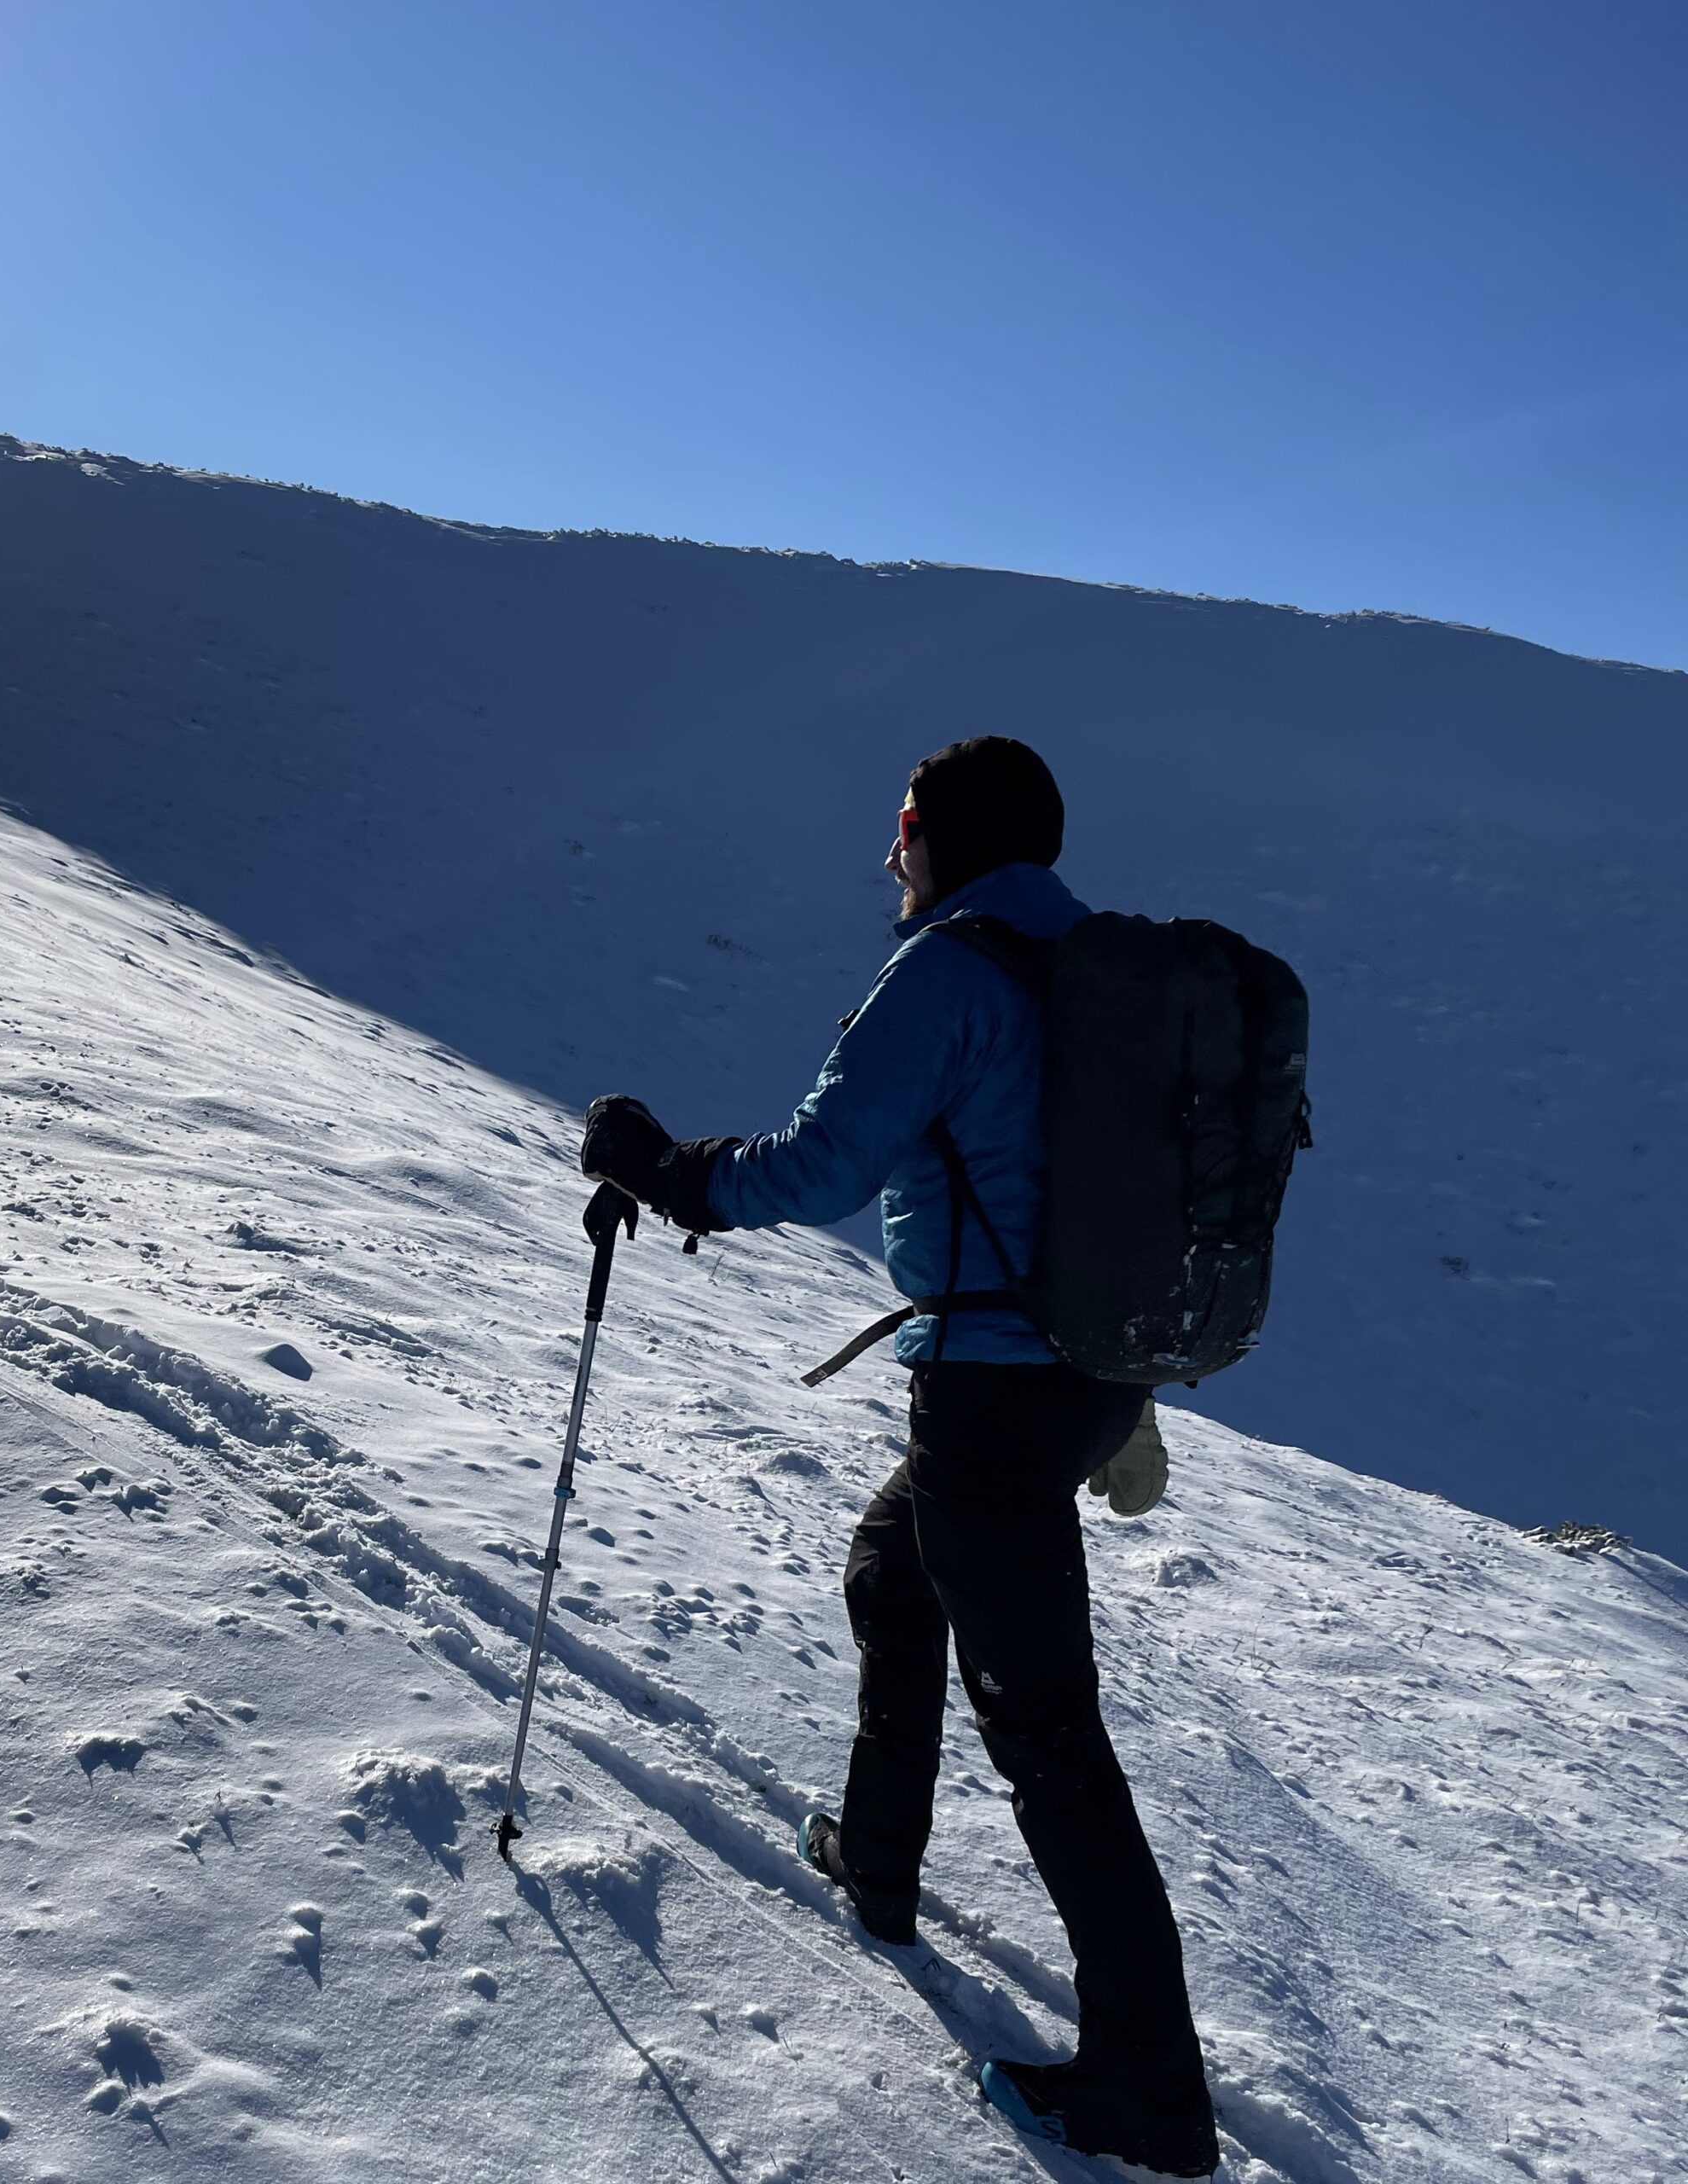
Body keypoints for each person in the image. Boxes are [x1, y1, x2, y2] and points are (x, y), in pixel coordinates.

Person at [580, 736, 1220, 2179]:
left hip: (993, 1404)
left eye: (906, 825)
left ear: (953, 839)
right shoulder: (1100, 963)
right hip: (1084, 1385)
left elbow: (820, 1167)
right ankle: (876, 1864)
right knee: (893, 1562)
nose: (890, 854)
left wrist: (663, 1166)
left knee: (1054, 1744)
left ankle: (1152, 2098)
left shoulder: (949, 970)